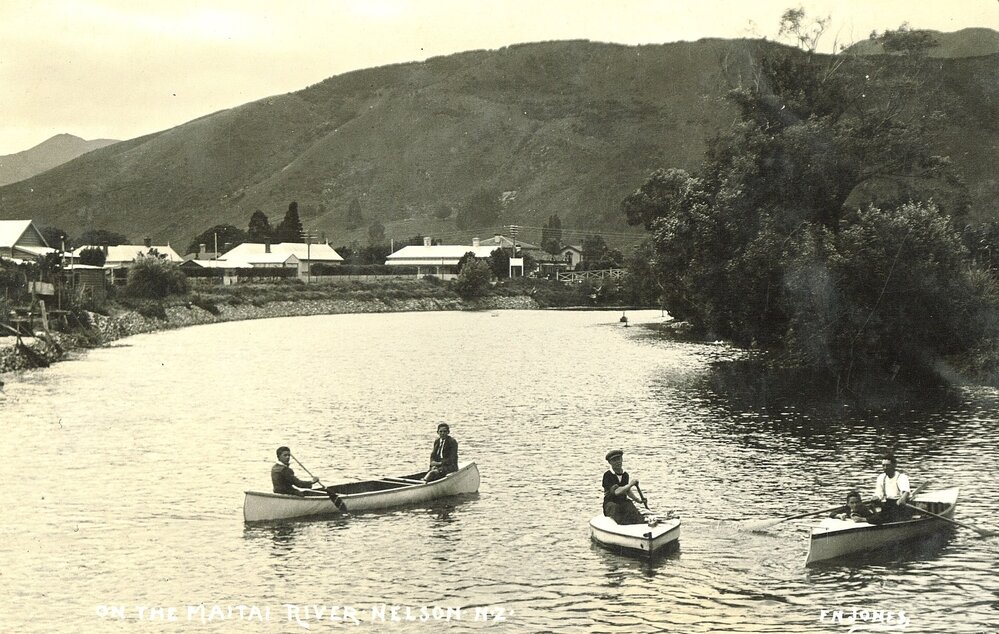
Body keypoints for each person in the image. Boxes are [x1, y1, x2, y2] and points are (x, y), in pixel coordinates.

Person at [602, 449, 648, 525]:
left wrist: (638, 500)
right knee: (615, 509)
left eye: (619, 459)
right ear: (610, 462)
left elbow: (627, 490)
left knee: (631, 508)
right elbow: (617, 492)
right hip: (610, 503)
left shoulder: (625, 475)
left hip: (622, 501)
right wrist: (630, 484)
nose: (618, 462)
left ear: (622, 459)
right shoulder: (607, 475)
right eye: (614, 460)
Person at [874, 455, 912, 523]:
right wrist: (875, 498)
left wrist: (902, 499)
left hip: (900, 505)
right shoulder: (881, 477)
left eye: (888, 465)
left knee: (883, 518)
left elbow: (906, 492)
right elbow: (879, 493)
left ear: (894, 465)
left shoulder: (901, 477)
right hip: (888, 504)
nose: (885, 468)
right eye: (883, 465)